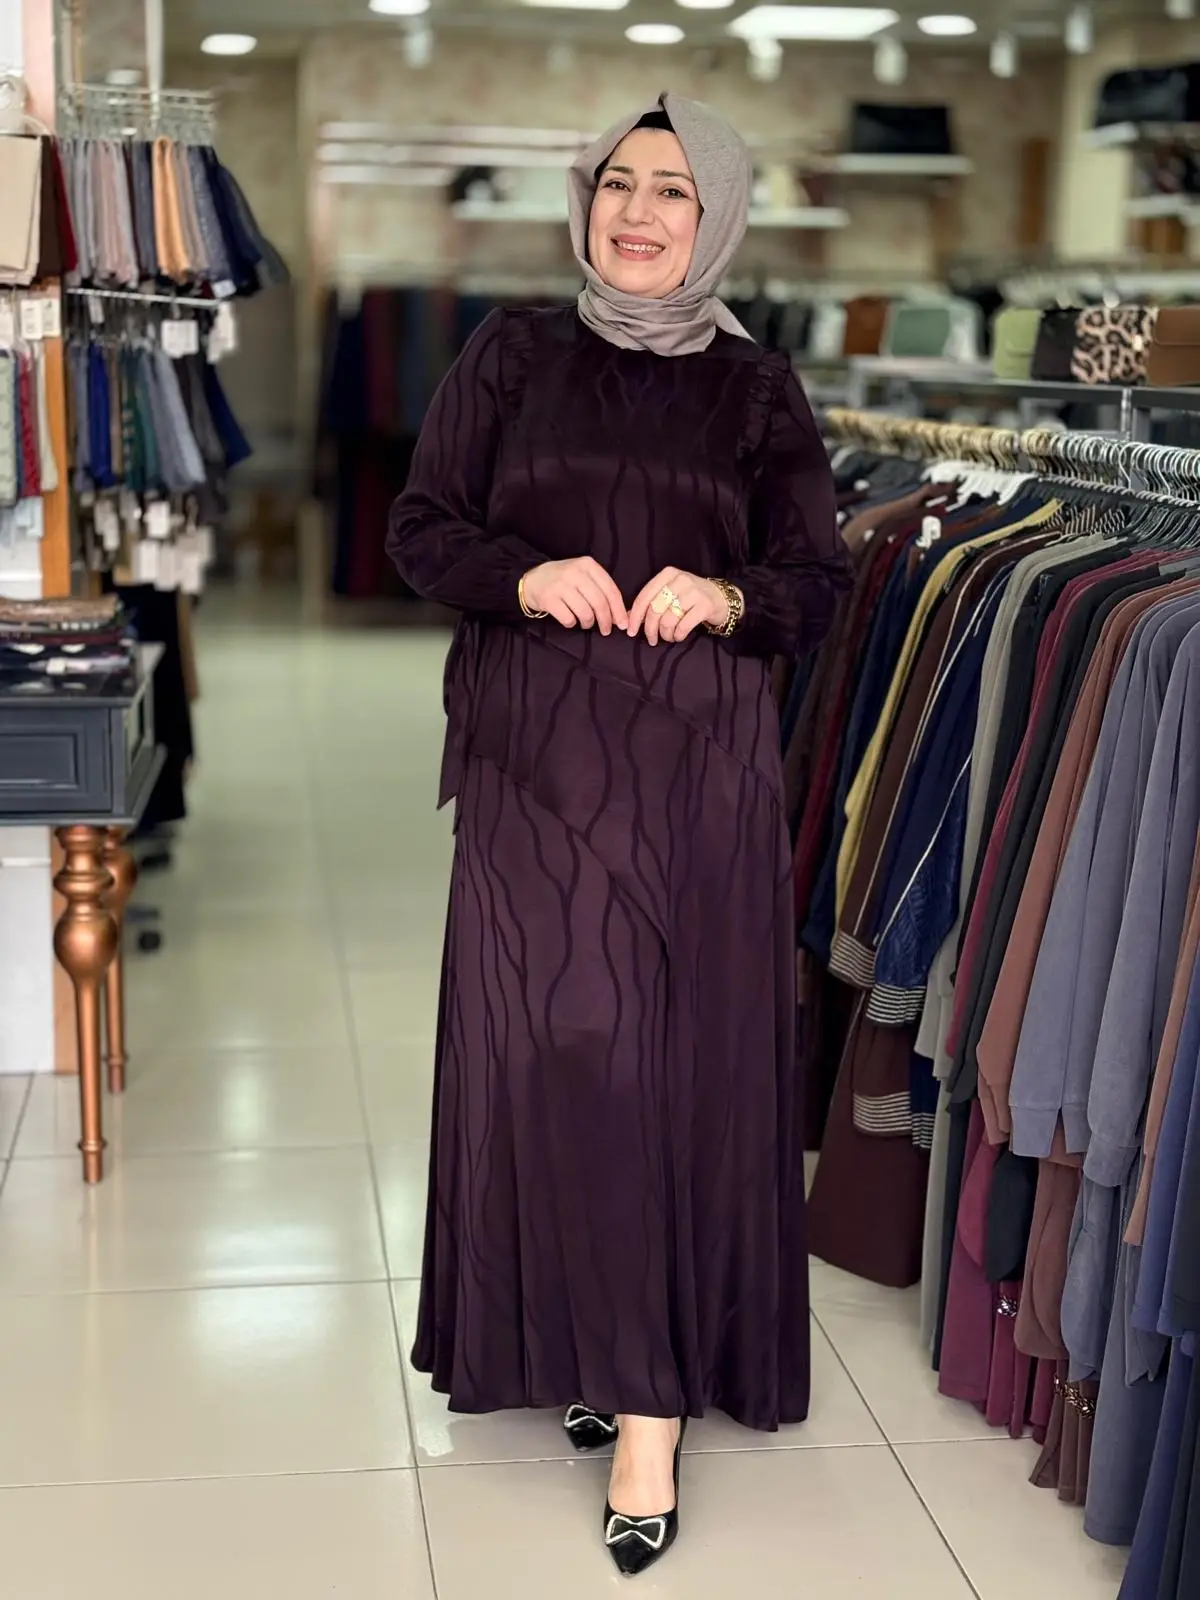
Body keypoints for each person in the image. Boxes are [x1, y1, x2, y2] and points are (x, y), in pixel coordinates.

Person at [386, 91, 850, 1577]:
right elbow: (421, 528)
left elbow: (818, 578)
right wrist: (522, 577)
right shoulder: (510, 355)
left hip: (696, 773)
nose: (639, 214)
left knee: (667, 1068)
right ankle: (589, 1329)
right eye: (618, 185)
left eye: (673, 191)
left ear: (717, 217)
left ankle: (650, 1411)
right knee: (554, 1054)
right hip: (534, 765)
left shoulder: (757, 388)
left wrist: (728, 595)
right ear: (585, 202)